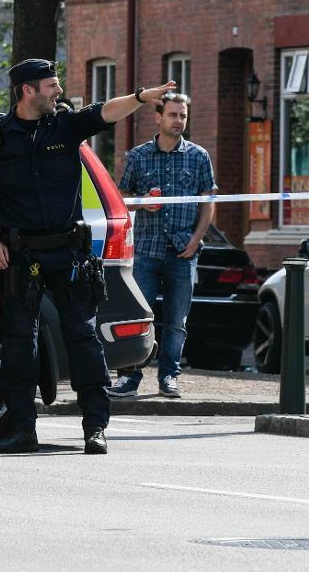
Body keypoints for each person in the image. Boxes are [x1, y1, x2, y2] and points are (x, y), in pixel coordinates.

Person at [0, 58, 174, 454]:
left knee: (83, 337)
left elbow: (105, 112)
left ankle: (95, 427)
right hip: (20, 252)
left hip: (68, 251)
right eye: (51, 86)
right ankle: (22, 429)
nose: (58, 92)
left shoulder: (65, 124)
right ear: (28, 90)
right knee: (18, 342)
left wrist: (140, 97)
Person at [108, 93, 216, 399]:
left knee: (177, 320)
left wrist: (195, 241)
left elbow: (208, 203)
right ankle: (129, 377)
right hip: (145, 250)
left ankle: (169, 376)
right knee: (138, 317)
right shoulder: (139, 156)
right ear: (158, 117)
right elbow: (122, 199)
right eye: (172, 115)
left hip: (183, 251)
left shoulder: (198, 156)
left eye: (182, 115)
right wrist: (143, 203)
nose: (178, 121)